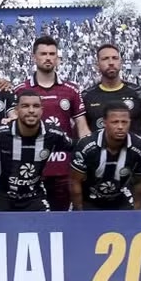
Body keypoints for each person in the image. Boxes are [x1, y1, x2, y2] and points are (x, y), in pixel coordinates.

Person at [14, 36, 90, 211]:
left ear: (57, 58)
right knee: (32, 219)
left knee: (61, 219)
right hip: (31, 170)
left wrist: (88, 155)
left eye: (52, 54)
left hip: (63, 169)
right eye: (43, 54)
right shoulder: (20, 90)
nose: (48, 58)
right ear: (34, 57)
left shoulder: (71, 90)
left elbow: (82, 126)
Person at [82, 44, 141, 193]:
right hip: (96, 172)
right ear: (97, 64)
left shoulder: (138, 93)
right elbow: (82, 136)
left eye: (115, 58)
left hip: (133, 171)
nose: (111, 62)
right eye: (105, 59)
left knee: (135, 209)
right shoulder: (87, 96)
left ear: (121, 62)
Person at [0, 90, 73, 212]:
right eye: (25, 106)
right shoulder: (0, 133)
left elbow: (78, 147)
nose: (31, 110)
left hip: (35, 197)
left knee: (47, 223)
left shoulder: (53, 134)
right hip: (1, 196)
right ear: (17, 110)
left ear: (42, 110)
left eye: (36, 106)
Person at [71, 102, 141, 211]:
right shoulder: (86, 146)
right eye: (115, 122)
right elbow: (75, 182)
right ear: (104, 122)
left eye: (124, 122)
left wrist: (136, 213)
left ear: (130, 122)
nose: (120, 127)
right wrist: (79, 213)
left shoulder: (140, 147)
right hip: (89, 200)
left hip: (121, 198)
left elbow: (139, 183)